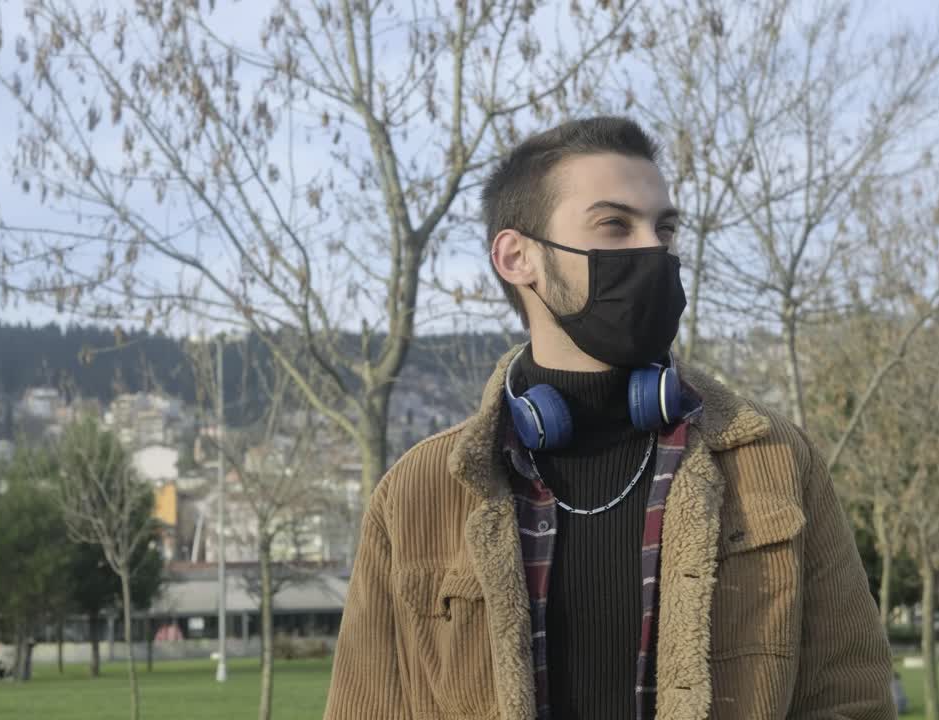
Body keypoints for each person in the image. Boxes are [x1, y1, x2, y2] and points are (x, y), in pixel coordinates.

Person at [323, 117, 893, 720]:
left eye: (664, 228)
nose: (653, 249)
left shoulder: (773, 460)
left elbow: (849, 696)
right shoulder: (420, 490)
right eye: (615, 225)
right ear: (518, 258)